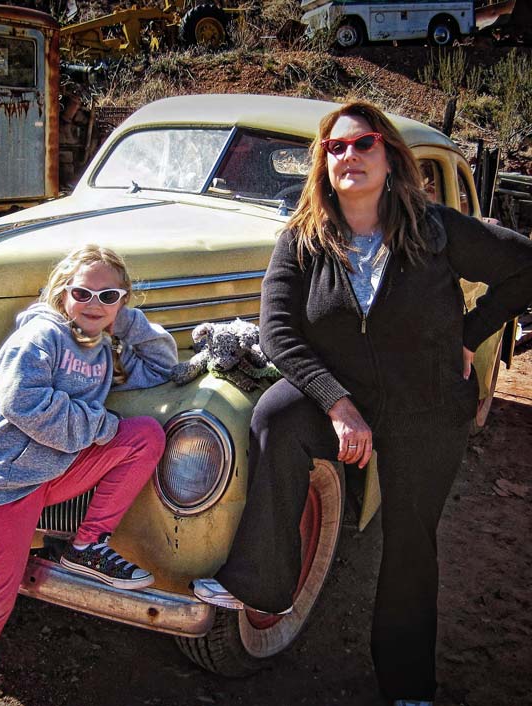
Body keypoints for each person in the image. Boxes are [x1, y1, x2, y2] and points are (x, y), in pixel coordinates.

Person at [192, 101, 532, 705]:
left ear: (389, 156)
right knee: (275, 414)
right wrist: (336, 403)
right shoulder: (301, 242)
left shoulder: (434, 228)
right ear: (321, 164)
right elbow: (278, 335)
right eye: (335, 148)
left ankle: (407, 688)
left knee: (408, 542)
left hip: (426, 406)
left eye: (364, 143)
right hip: (346, 396)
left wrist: (469, 333)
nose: (349, 155)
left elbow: (524, 266)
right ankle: (264, 583)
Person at [0, 244, 178, 706]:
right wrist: (99, 426)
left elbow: (162, 367)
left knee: (145, 437)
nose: (94, 304)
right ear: (62, 293)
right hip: (2, 480)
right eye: (83, 293)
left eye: (109, 296)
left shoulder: (103, 344)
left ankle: (87, 545)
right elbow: (23, 403)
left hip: (49, 471)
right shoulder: (40, 336)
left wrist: (123, 319)